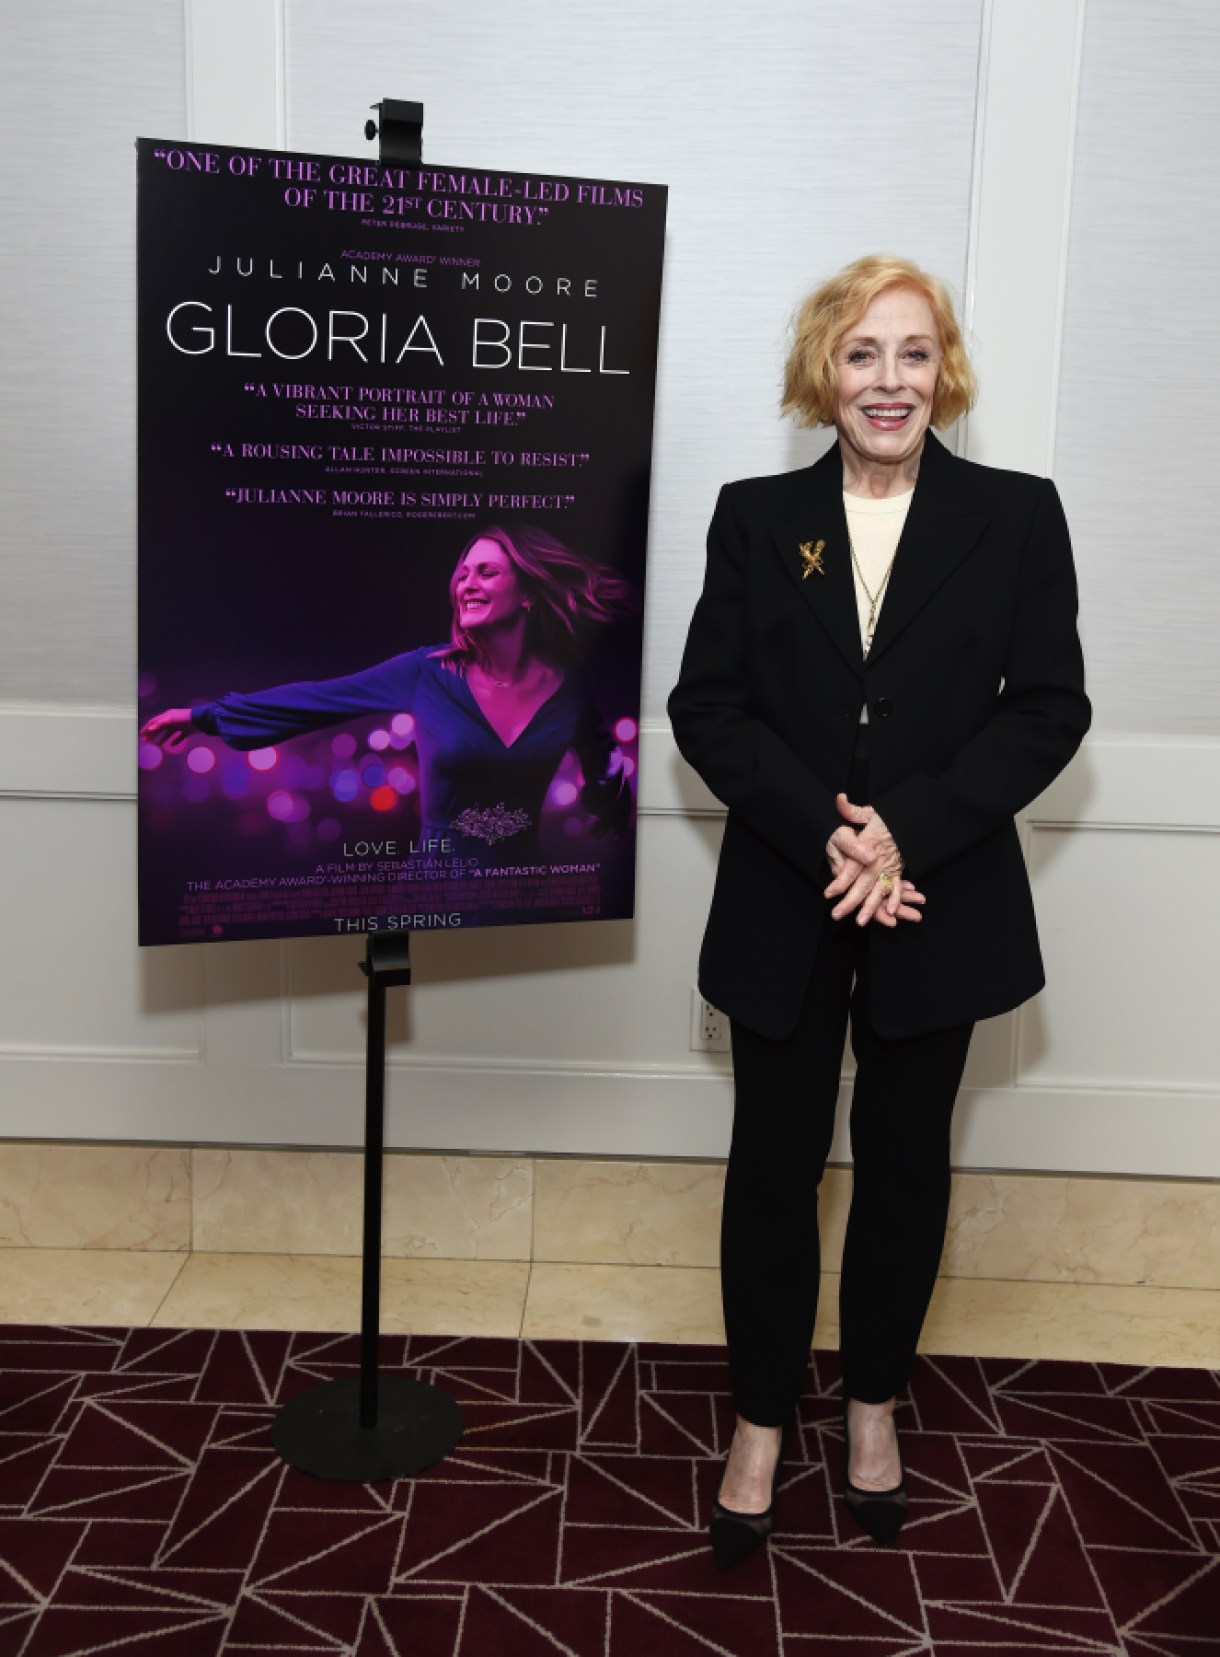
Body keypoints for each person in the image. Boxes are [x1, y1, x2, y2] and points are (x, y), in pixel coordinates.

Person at [667, 254, 1090, 1565]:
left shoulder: (1017, 515)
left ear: (943, 371)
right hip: (788, 895)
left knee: (907, 1170)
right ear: (823, 374)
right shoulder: (754, 514)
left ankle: (870, 1409)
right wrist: (832, 832)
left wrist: (906, 827)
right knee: (772, 1173)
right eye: (862, 354)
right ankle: (755, 1424)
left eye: (913, 353)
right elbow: (707, 707)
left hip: (940, 895)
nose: (888, 381)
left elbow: (1049, 708)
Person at [140, 523, 634, 857]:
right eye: (462, 574)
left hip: (525, 896)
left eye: (486, 572)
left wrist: (612, 804)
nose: (467, 584)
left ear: (526, 592)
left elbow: (604, 763)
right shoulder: (426, 672)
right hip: (435, 893)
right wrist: (203, 717)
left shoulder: (568, 692)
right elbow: (317, 699)